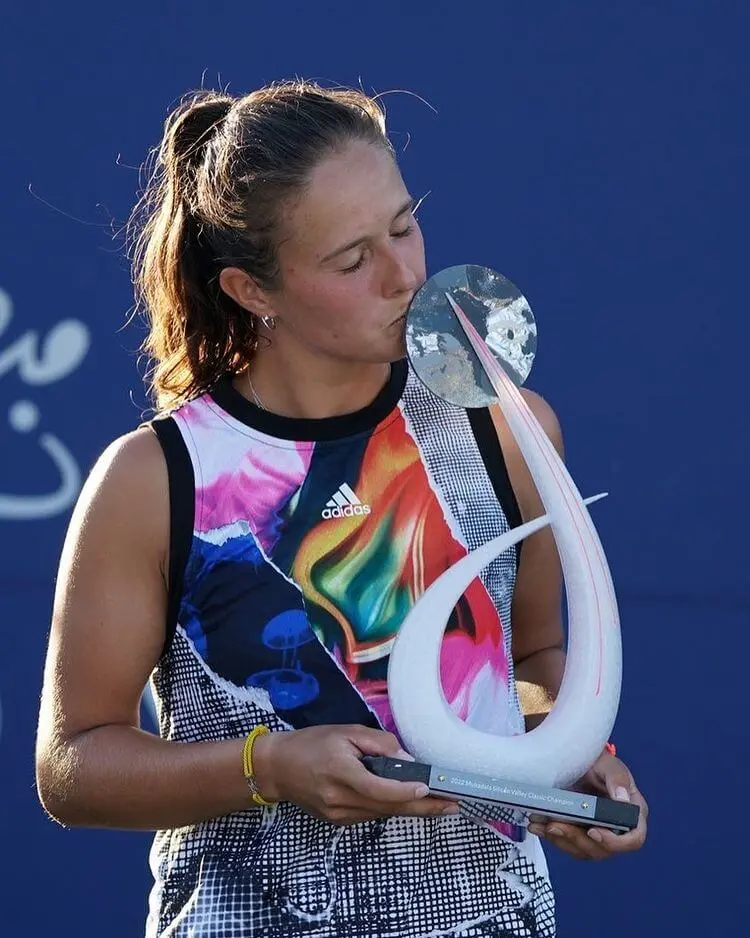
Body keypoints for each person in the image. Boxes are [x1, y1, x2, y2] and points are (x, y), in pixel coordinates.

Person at [35, 79, 648, 938]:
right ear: (253, 290)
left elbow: (532, 661)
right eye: (353, 259)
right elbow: (72, 767)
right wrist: (271, 767)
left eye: (405, 225)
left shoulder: (508, 428)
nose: (406, 275)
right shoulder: (154, 477)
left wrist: (566, 762)